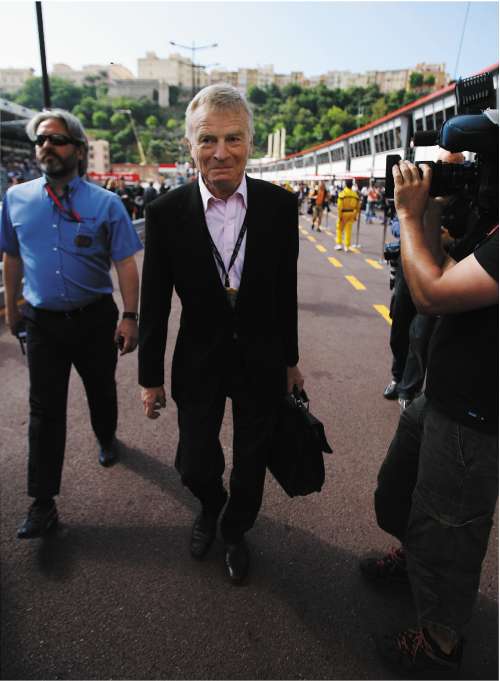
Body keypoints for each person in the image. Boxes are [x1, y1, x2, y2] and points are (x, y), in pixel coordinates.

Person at [138, 84, 303, 585]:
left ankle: (233, 530)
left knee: (252, 462)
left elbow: (284, 293)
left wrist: (290, 360)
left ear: (250, 142)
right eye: (208, 139)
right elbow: (154, 304)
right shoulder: (166, 213)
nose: (221, 152)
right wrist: (150, 378)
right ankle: (210, 505)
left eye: (233, 138)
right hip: (199, 357)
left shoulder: (279, 206)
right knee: (193, 462)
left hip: (261, 357)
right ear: (190, 145)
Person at [360, 156, 498, 678]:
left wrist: (409, 214)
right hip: (442, 391)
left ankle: (440, 643)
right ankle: (412, 564)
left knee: (449, 530)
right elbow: (440, 268)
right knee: (398, 492)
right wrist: (434, 214)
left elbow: (433, 294)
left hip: (476, 413)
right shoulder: (491, 219)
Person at [0, 109, 143, 539]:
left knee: (100, 389)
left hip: (94, 318)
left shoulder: (106, 203)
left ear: (79, 151)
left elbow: (125, 264)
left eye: (57, 140)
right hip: (43, 323)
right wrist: (12, 309)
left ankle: (106, 436)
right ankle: (42, 504)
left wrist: (130, 317)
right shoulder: (16, 199)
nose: (46, 146)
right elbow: (11, 256)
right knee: (44, 410)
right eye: (41, 140)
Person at [334, 179, 360, 252]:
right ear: (352, 185)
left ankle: (339, 244)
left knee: (339, 229)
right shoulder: (355, 195)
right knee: (348, 230)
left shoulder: (342, 194)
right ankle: (347, 246)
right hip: (351, 214)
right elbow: (358, 207)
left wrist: (339, 216)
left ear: (345, 184)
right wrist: (355, 216)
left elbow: (339, 206)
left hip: (343, 214)